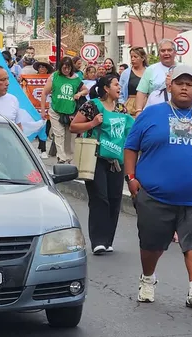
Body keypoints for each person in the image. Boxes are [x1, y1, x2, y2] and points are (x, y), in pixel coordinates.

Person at [124, 64, 192, 310]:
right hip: (155, 195)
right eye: (179, 83)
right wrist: (131, 177)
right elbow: (131, 147)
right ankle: (147, 279)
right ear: (169, 87)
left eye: (189, 84)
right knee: (151, 244)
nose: (184, 88)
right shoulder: (151, 114)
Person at [70, 73, 131, 254]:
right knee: (99, 198)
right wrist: (93, 123)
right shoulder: (92, 106)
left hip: (116, 160)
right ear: (106, 88)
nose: (119, 88)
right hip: (95, 158)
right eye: (116, 84)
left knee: (114, 199)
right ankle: (98, 240)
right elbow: (73, 127)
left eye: (120, 85)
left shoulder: (121, 109)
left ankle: (108, 240)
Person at [41, 57, 88, 164]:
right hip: (55, 110)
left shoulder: (76, 79)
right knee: (58, 134)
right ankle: (61, 156)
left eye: (68, 68)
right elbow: (44, 93)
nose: (66, 70)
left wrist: (79, 94)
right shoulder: (54, 76)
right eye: (64, 68)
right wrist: (43, 110)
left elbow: (86, 90)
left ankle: (69, 156)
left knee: (69, 135)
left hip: (70, 111)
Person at [135, 39, 178, 112]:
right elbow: (141, 92)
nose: (166, 53)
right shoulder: (150, 70)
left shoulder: (183, 68)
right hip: (154, 111)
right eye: (163, 51)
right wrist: (138, 111)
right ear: (159, 53)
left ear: (175, 52)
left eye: (169, 50)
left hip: (178, 111)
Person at [120, 46, 148, 115]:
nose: (132, 59)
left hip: (146, 104)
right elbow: (120, 91)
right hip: (130, 105)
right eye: (131, 57)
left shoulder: (149, 71)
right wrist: (122, 105)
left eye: (135, 57)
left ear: (142, 58)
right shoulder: (126, 73)